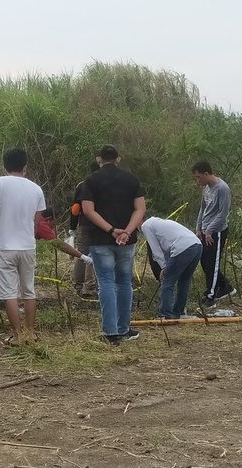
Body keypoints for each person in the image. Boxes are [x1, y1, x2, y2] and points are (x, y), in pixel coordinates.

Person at [81, 145, 146, 345]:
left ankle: (110, 332)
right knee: (124, 282)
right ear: (118, 159)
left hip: (101, 240)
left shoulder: (90, 181)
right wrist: (127, 230)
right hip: (127, 241)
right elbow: (140, 209)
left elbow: (88, 211)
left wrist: (111, 230)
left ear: (99, 158)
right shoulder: (132, 179)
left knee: (106, 283)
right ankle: (123, 328)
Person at [0, 148, 46, 345]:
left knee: (9, 293)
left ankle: (17, 336)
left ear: (5, 165)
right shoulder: (36, 188)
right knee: (29, 290)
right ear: (25, 166)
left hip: (5, 246)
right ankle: (31, 333)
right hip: (28, 245)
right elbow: (37, 221)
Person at [0, 208, 93, 308]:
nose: (55, 225)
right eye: (55, 222)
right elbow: (59, 244)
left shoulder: (34, 218)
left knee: (2, 268)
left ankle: (5, 300)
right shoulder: (41, 224)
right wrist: (82, 256)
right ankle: (1, 302)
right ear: (49, 219)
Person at [192, 161, 237, 308]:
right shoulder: (206, 188)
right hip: (205, 231)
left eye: (199, 177)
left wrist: (210, 230)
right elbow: (202, 208)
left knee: (213, 263)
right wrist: (199, 228)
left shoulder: (222, 188)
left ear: (206, 174)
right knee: (205, 261)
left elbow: (223, 213)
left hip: (216, 232)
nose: (198, 181)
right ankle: (225, 287)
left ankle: (211, 295)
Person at [140, 217, 202, 319]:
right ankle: (179, 312)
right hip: (197, 245)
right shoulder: (159, 223)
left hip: (183, 247)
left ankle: (165, 314)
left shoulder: (145, 225)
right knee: (184, 281)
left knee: (167, 281)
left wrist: (164, 268)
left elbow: (156, 251)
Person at [70, 162, 100, 297]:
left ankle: (77, 283)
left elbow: (75, 209)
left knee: (81, 254)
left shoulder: (81, 185)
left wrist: (72, 227)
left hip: (82, 224)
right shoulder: (102, 185)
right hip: (98, 225)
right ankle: (90, 285)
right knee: (93, 254)